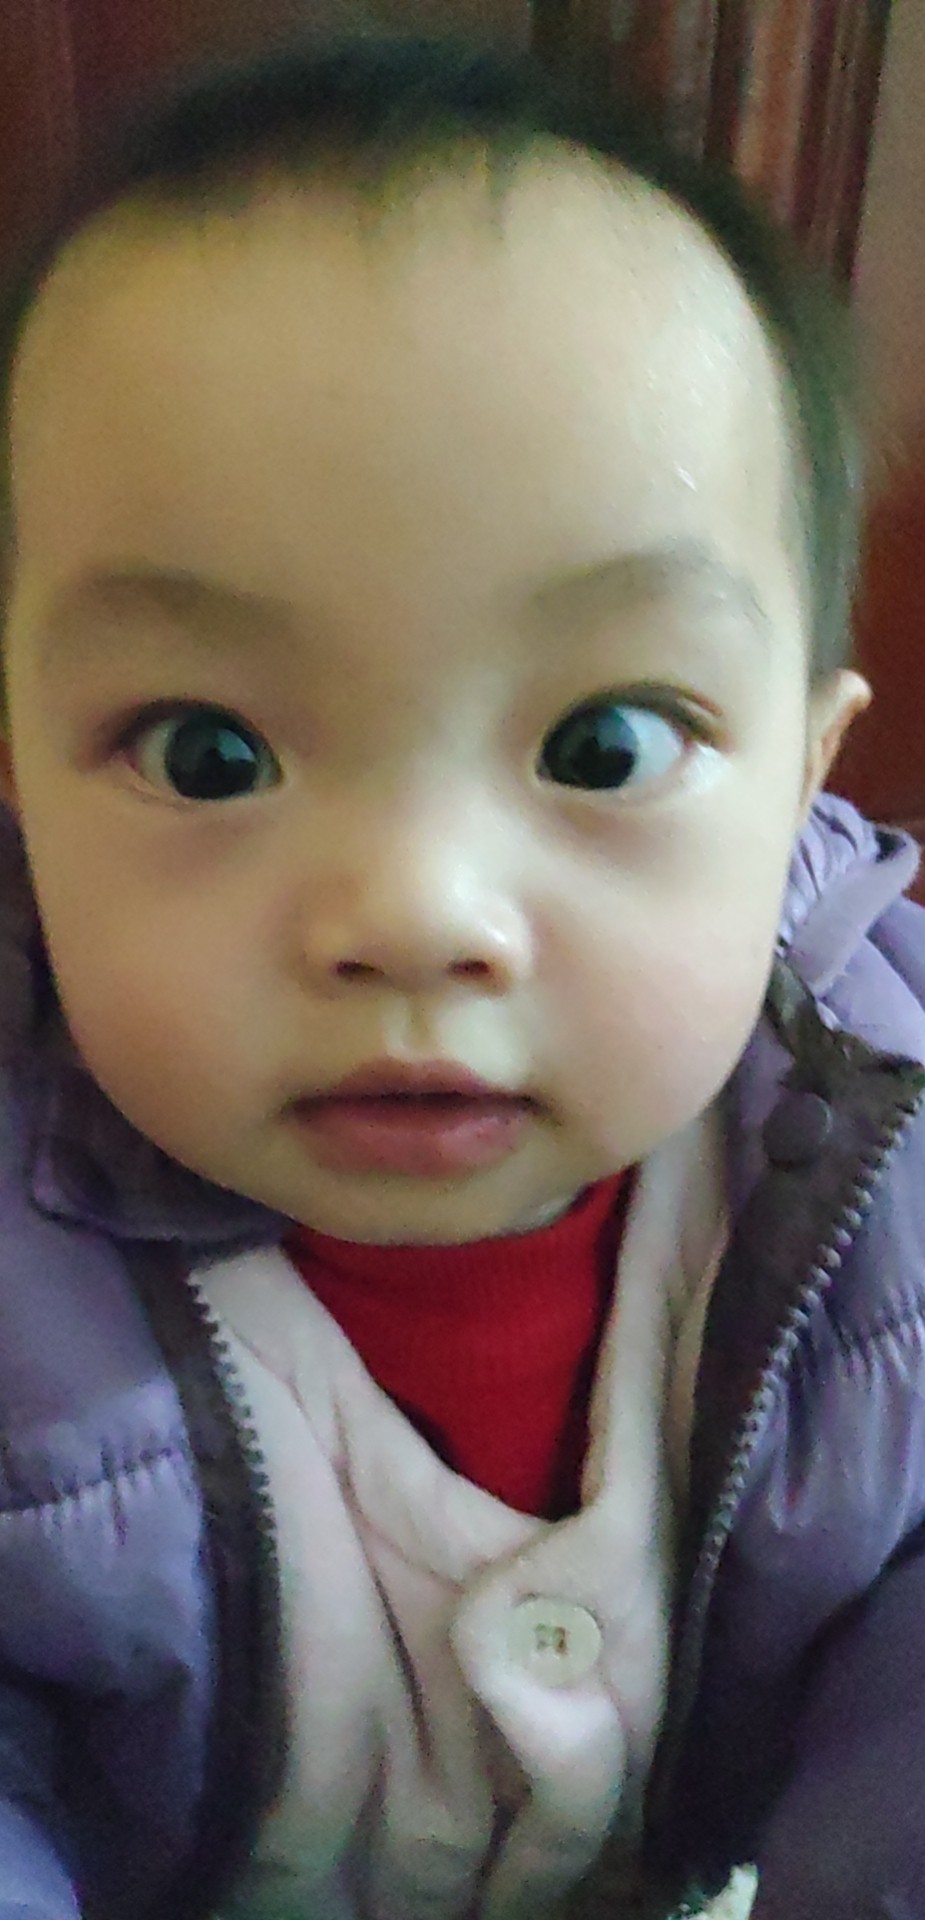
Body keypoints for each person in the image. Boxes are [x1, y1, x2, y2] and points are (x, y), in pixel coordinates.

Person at [0, 24, 922, 1920]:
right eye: (206, 753)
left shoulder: (886, 1157)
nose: (416, 914)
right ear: (18, 779)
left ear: (801, 782)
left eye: (604, 744)